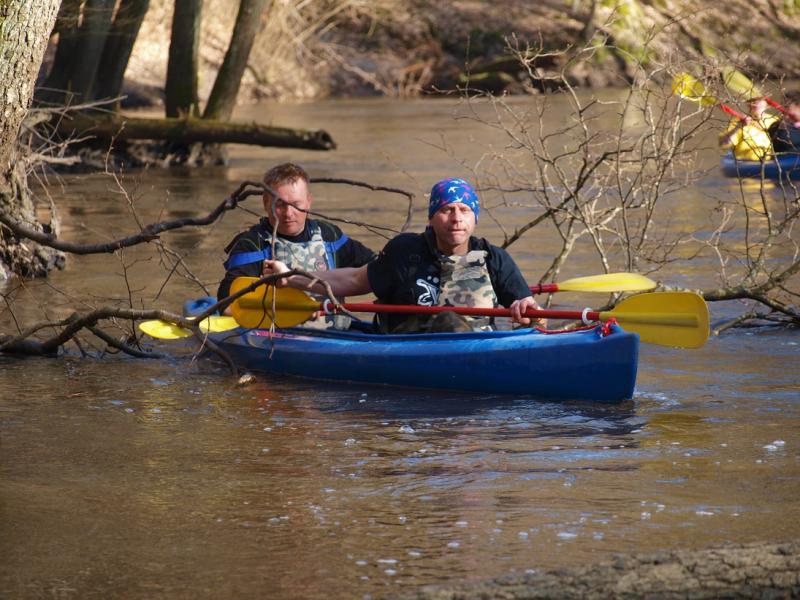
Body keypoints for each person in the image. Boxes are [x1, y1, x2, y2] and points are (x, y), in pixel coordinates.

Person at [264, 177, 543, 333]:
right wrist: (290, 277)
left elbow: (532, 313)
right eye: (447, 210)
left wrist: (531, 316)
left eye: (464, 210)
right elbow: (352, 280)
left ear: (475, 219)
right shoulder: (405, 251)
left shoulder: (494, 259)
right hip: (408, 349)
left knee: (454, 323)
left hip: (477, 350)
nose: (456, 219)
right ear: (432, 218)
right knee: (448, 320)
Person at [217, 162, 375, 328]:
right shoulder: (251, 244)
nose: (288, 213)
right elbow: (227, 306)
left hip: (337, 337)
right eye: (279, 204)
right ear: (265, 203)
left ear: (308, 202)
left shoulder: (330, 236)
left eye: (295, 205)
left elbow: (377, 269)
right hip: (280, 340)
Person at [719, 96, 780, 161]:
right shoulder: (738, 122)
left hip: (770, 162)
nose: (755, 103)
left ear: (767, 104)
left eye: (759, 100)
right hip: (746, 163)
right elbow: (723, 143)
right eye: (752, 101)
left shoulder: (774, 120)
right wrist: (737, 127)